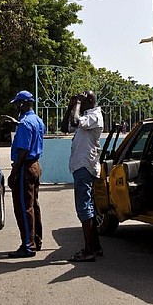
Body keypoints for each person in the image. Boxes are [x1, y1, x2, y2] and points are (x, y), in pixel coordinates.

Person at [62, 90, 104, 262]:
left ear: (89, 101)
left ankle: (89, 251)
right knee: (88, 209)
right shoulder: (85, 116)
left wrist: (78, 103)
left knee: (84, 208)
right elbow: (65, 127)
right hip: (80, 166)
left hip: (85, 166)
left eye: (84, 98)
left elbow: (75, 121)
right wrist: (71, 105)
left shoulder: (94, 116)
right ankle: (95, 247)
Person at [7, 90, 45, 258]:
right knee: (33, 206)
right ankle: (36, 241)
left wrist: (13, 174)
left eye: (17, 104)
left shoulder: (25, 124)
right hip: (35, 166)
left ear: (22, 104)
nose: (16, 107)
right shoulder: (36, 120)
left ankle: (28, 246)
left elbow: (23, 150)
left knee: (24, 208)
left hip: (25, 167)